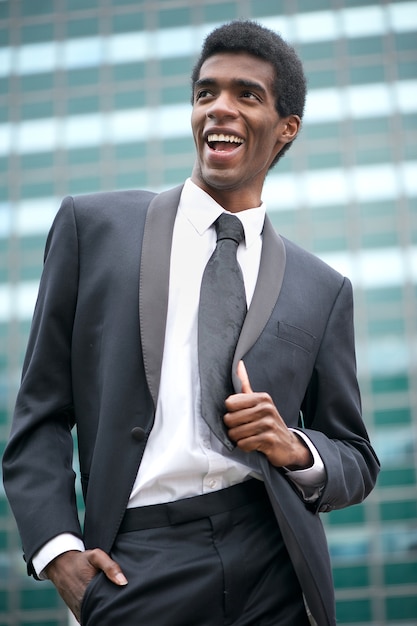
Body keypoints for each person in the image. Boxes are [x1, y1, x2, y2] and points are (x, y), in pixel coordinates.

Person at [3, 20, 380, 626]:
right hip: (138, 559)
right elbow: (40, 414)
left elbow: (357, 458)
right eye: (206, 93)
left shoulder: (323, 288)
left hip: (274, 559)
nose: (219, 109)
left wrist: (294, 446)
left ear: (287, 129)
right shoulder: (92, 229)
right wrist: (59, 554)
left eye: (246, 95)